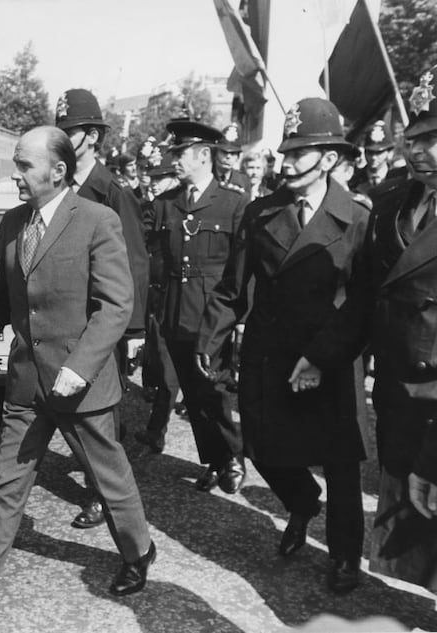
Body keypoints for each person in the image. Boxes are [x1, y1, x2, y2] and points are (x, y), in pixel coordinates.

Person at [0, 126, 155, 620]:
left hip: (78, 383)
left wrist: (82, 366)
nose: (16, 174)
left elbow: (115, 305)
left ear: (58, 171)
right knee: (6, 481)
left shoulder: (97, 220)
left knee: (107, 478)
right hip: (27, 381)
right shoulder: (12, 223)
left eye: (24, 165)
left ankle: (137, 552)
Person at [197, 98, 371, 594]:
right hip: (272, 354)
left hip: (332, 357)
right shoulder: (260, 213)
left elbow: (361, 303)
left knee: (341, 464)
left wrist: (320, 357)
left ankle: (343, 557)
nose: (286, 163)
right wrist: (210, 340)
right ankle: (300, 501)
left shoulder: (357, 219)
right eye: (285, 153)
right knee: (263, 448)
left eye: (301, 154)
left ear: (331, 159)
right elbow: (233, 288)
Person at [292, 67, 437, 594]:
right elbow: (368, 298)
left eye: (432, 138)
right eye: (413, 136)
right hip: (402, 400)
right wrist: (321, 354)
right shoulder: (397, 200)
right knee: (415, 548)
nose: (417, 149)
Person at [55, 88, 150, 529]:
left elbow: (134, 262)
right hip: (64, 318)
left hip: (103, 320)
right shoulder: (55, 186)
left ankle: (104, 495)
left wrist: (132, 331)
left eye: (69, 131)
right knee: (69, 411)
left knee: (98, 413)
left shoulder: (110, 190)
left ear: (91, 136)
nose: (61, 138)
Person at [151, 117, 249, 494]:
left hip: (213, 317)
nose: (173, 159)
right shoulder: (165, 204)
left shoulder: (234, 204)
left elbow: (241, 271)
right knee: (193, 396)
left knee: (216, 390)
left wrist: (240, 318)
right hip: (175, 314)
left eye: (180, 153)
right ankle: (215, 459)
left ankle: (234, 454)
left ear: (204, 155)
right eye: (173, 153)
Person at [135, 151, 182, 454]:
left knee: (169, 370)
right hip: (151, 298)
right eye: (151, 178)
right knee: (155, 361)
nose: (153, 184)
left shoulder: (178, 211)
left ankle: (157, 430)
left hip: (173, 299)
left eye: (160, 179)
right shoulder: (149, 208)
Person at [350, 120, 404, 195]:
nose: (374, 157)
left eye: (379, 153)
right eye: (370, 152)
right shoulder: (354, 181)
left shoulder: (399, 177)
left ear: (389, 152)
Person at [214, 122, 251, 192]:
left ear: (238, 156)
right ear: (216, 152)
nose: (228, 156)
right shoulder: (205, 176)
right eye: (224, 152)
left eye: (233, 153)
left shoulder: (244, 181)